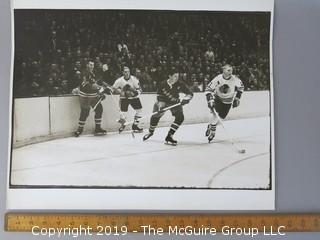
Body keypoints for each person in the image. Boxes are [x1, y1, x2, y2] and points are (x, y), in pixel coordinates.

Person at [143, 68, 193, 145]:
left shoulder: (180, 84)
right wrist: (160, 107)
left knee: (180, 117)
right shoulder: (162, 84)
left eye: (177, 76)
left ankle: (169, 136)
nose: (177, 78)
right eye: (175, 76)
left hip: (174, 102)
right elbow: (159, 97)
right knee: (155, 116)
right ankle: (151, 132)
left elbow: (190, 93)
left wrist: (186, 99)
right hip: (162, 102)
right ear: (170, 76)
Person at [205, 64, 244, 142]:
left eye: (231, 70)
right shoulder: (218, 78)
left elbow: (241, 87)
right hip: (218, 99)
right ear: (223, 70)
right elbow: (208, 89)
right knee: (216, 115)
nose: (230, 72)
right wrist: (210, 100)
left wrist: (237, 98)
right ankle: (213, 132)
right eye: (228, 70)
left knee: (221, 118)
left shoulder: (235, 79)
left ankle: (211, 126)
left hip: (228, 101)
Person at [73, 61, 107, 137]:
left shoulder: (93, 73)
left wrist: (102, 91)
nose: (92, 66)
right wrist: (102, 89)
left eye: (93, 65)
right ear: (87, 65)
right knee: (85, 112)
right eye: (90, 65)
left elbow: (98, 82)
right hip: (85, 96)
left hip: (93, 95)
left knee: (99, 109)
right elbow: (93, 86)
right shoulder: (85, 73)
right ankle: (79, 129)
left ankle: (98, 128)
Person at [112, 66, 143, 133]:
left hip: (134, 97)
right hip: (124, 98)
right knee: (123, 113)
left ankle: (135, 126)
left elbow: (140, 89)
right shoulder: (119, 80)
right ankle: (123, 124)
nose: (127, 73)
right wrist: (120, 91)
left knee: (139, 111)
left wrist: (134, 93)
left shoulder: (134, 79)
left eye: (128, 72)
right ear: (123, 72)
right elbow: (113, 88)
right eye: (125, 72)